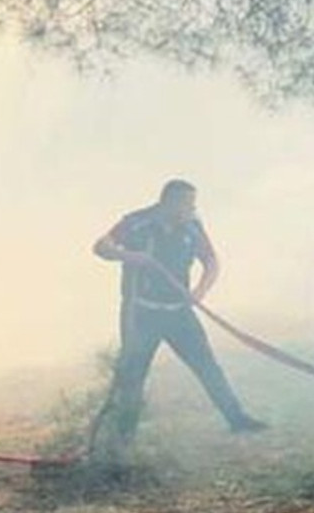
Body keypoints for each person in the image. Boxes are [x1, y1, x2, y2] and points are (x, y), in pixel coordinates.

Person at [88, 178, 265, 463]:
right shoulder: (137, 222)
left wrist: (199, 292)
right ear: (168, 202)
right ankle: (123, 442)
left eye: (193, 204)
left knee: (207, 365)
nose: (191, 210)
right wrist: (129, 256)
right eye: (187, 204)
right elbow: (100, 246)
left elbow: (211, 261)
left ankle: (238, 419)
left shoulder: (192, 226)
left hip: (178, 311)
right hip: (141, 313)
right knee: (133, 375)